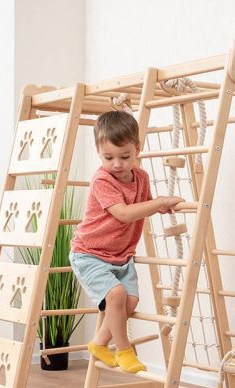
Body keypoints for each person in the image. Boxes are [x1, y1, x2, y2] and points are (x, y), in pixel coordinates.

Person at [70, 111, 183, 373]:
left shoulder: (141, 178)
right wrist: (157, 204)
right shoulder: (102, 179)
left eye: (125, 157)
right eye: (108, 157)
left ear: (137, 150)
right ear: (99, 151)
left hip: (121, 256)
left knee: (129, 302)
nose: (117, 164)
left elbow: (145, 203)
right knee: (117, 294)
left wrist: (161, 205)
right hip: (90, 254)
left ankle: (98, 343)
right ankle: (123, 350)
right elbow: (123, 213)